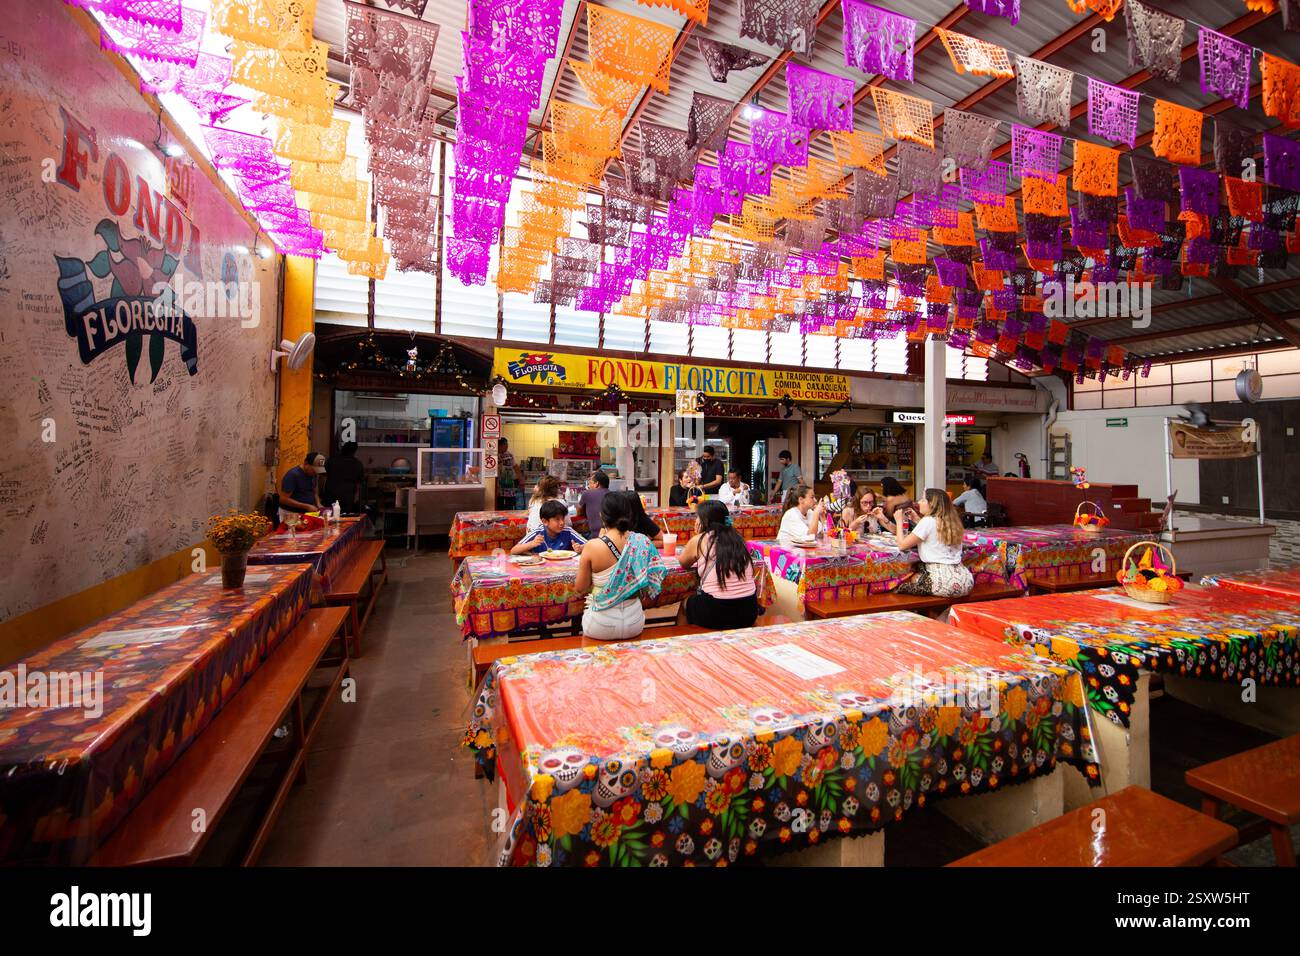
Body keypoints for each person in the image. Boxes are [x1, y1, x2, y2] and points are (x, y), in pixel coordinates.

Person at [576, 492, 666, 641]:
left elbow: (580, 587)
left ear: (601, 515)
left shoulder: (592, 546)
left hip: (600, 624)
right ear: (629, 514)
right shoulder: (642, 541)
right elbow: (652, 579)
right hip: (635, 622)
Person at [676, 499, 760, 630]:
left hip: (717, 611)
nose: (696, 521)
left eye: (698, 517)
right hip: (749, 610)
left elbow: (683, 562)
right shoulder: (739, 539)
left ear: (705, 521)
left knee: (686, 604)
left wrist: (698, 537)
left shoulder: (700, 540)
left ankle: (681, 643)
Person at [892, 488, 974, 598]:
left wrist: (899, 522)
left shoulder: (927, 521)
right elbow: (934, 532)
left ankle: (927, 613)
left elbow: (902, 545)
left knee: (900, 583)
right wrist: (917, 520)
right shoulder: (951, 521)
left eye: (923, 499)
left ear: (931, 504)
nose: (919, 502)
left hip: (943, 582)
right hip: (965, 580)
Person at [511, 500, 588, 554]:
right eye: (557, 519)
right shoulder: (538, 532)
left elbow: (590, 545)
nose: (562, 523)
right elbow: (514, 550)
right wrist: (532, 543)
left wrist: (581, 548)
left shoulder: (568, 531)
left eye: (563, 518)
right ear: (545, 521)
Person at [280, 452, 325, 521]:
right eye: (314, 470)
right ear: (306, 463)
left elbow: (314, 490)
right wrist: (306, 506)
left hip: (307, 513)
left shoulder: (313, 475)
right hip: (291, 514)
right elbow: (283, 499)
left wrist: (318, 503)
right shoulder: (293, 475)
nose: (316, 473)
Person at [323, 442, 364, 514]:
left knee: (330, 516)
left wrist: (322, 492)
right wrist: (355, 497)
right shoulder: (358, 464)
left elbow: (323, 477)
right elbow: (358, 483)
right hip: (347, 496)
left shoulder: (331, 460)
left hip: (331, 494)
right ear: (354, 451)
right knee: (346, 518)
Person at [576, 470, 610, 535]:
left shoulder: (587, 493)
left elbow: (578, 512)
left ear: (596, 484)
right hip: (611, 534)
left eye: (590, 483)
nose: (589, 485)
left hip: (594, 534)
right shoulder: (613, 495)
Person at [497, 437, 525, 509]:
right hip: (498, 487)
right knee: (499, 505)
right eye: (504, 445)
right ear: (499, 445)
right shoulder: (495, 455)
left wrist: (521, 480)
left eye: (507, 445)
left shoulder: (509, 455)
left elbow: (516, 467)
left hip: (509, 485)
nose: (506, 447)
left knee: (509, 505)